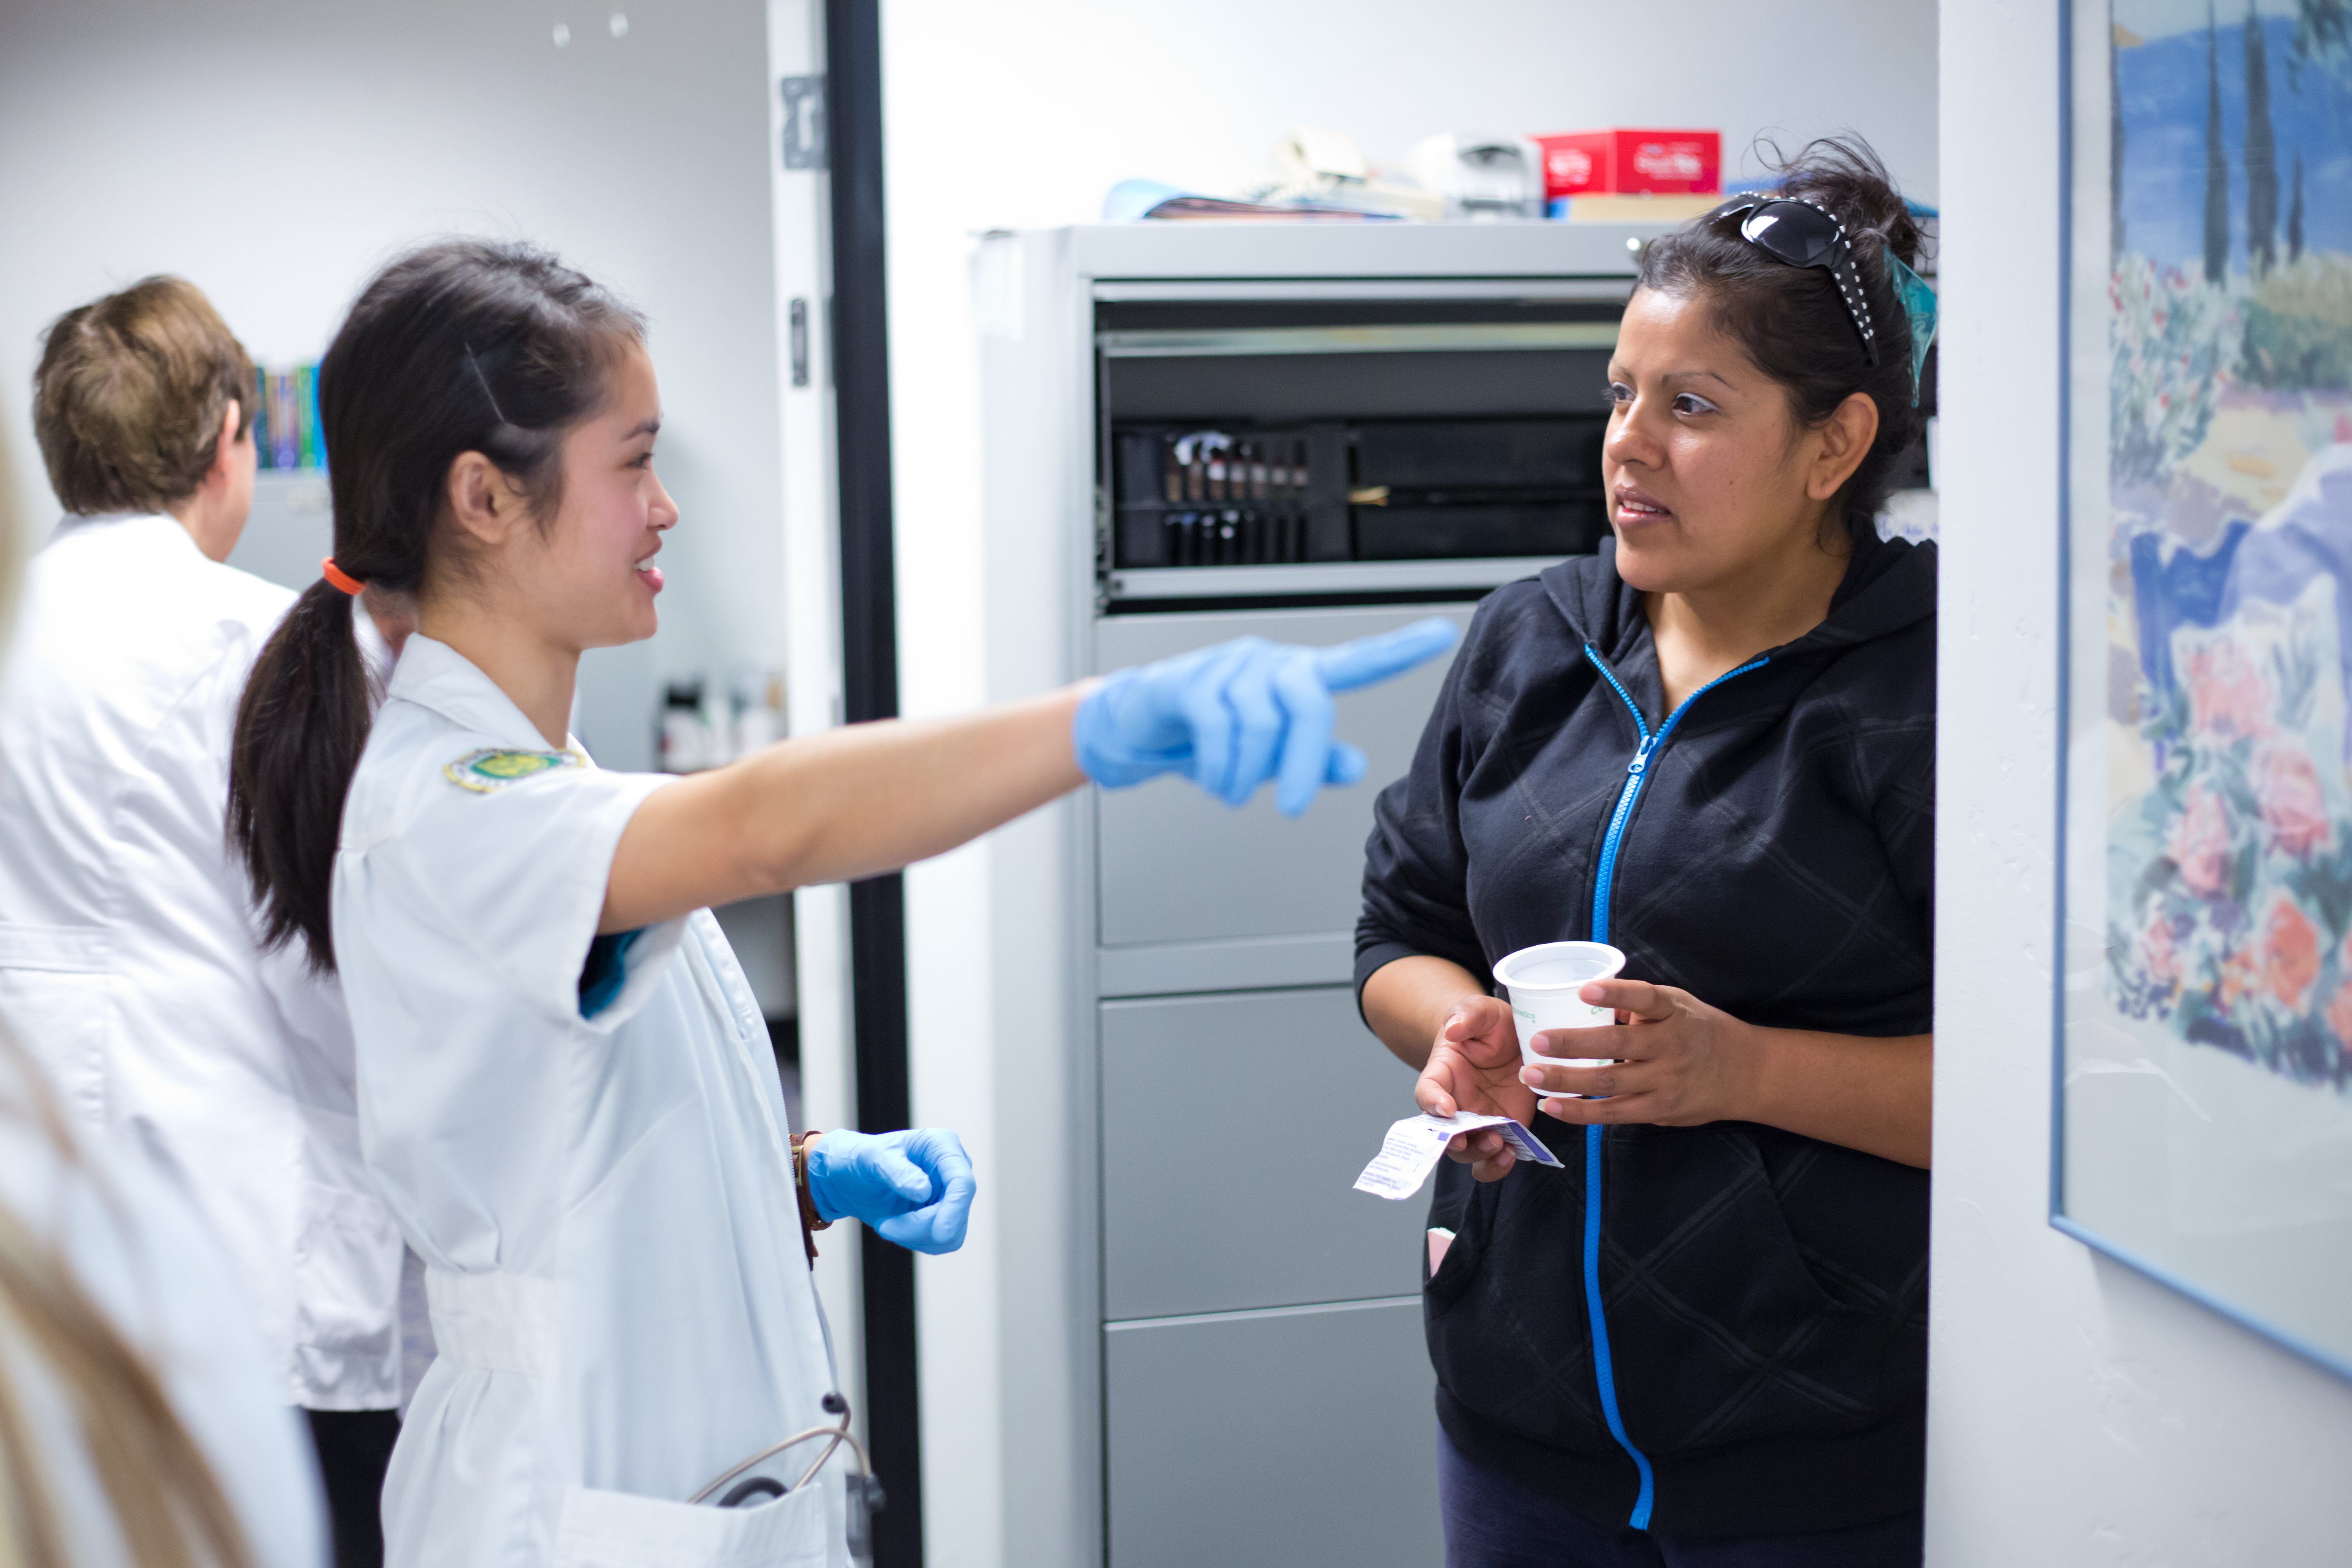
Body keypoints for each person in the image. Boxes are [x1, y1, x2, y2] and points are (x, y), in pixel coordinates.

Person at [227, 238, 1452, 1568]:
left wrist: (795, 1178)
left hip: (665, 1475)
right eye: (632, 463)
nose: (665, 509)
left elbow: (557, 1132)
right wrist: (1101, 721)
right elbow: (772, 828)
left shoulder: (532, 779)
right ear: (482, 496)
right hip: (571, 1506)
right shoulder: (457, 811)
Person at [1357, 137, 1937, 1568]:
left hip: (1818, 1461)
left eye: (1691, 406)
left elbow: (2041, 1101)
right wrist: (1462, 1031)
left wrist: (1738, 1070)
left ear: (1834, 445)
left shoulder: (1935, 685)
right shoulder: (1531, 641)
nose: (1627, 441)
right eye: (1620, 395)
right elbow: (1396, 936)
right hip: (1515, 1429)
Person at [0, 278, 406, 1562]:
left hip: (46, 1261)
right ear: (232, 431)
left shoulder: (13, 633)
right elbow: (358, 948)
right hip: (255, 1258)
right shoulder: (274, 646)